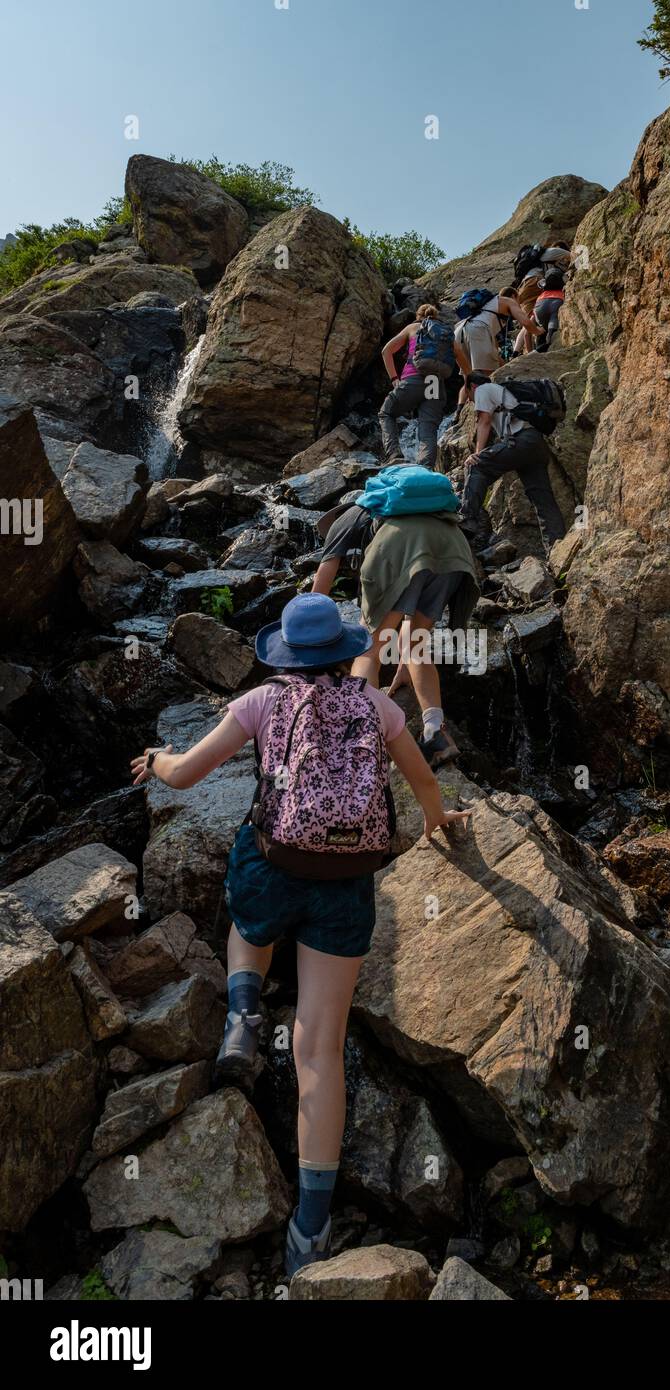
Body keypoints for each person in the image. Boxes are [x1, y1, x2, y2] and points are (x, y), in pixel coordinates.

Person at [131, 593, 471, 1278]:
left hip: (276, 863)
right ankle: (310, 1231)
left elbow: (189, 773)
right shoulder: (378, 706)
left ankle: (243, 1012)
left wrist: (157, 760)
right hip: (346, 878)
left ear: (283, 653)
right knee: (320, 1047)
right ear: (343, 650)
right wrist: (440, 821)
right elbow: (424, 781)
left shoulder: (261, 701)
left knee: (248, 903)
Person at [311, 485, 479, 767]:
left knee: (368, 649)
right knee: (415, 645)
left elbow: (323, 578)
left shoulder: (346, 518)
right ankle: (436, 733)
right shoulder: (413, 509)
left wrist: (306, 628)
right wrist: (402, 669)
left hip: (400, 546)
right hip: (452, 548)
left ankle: (367, 736)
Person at [459, 370, 566, 553]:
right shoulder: (500, 392)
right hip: (536, 445)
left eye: (468, 394)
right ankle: (557, 549)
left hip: (521, 442)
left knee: (476, 466)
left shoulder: (483, 390)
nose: (469, 400)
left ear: (473, 386)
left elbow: (483, 422)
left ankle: (467, 521)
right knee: (542, 499)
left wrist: (477, 454)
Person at [379, 304, 453, 470]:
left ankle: (394, 456)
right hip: (435, 382)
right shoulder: (445, 333)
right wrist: (471, 379)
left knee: (386, 412)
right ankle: (425, 468)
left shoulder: (413, 327)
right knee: (428, 427)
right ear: (436, 316)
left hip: (413, 379)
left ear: (418, 316)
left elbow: (386, 351)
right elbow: (460, 354)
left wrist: (394, 379)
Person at [453, 287, 542, 404]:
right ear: (514, 296)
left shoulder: (486, 308)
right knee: (488, 375)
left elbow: (493, 346)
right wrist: (539, 331)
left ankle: (459, 412)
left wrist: (502, 364)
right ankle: (485, 408)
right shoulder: (508, 301)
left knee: (468, 377)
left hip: (459, 332)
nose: (518, 303)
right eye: (518, 299)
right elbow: (525, 322)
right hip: (478, 330)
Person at [532, 268, 565, 352]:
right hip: (558, 301)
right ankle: (549, 340)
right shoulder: (562, 283)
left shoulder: (544, 285)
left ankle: (536, 353)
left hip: (540, 303)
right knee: (552, 332)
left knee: (542, 331)